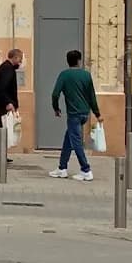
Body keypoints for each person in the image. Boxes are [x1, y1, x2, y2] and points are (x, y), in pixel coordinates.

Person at [49, 50, 104, 182]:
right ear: (79, 61)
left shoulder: (64, 75)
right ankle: (62, 168)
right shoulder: (86, 75)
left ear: (68, 61)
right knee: (68, 140)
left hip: (73, 114)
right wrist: (97, 114)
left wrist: (56, 108)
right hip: (84, 113)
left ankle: (86, 170)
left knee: (76, 142)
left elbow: (55, 94)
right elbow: (91, 97)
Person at [0, 49, 23, 162]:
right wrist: (8, 102)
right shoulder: (7, 69)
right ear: (15, 57)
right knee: (4, 127)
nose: (21, 61)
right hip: (4, 103)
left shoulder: (5, 68)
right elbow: (2, 88)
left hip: (1, 102)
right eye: (20, 58)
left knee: (2, 126)